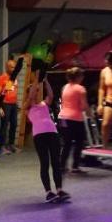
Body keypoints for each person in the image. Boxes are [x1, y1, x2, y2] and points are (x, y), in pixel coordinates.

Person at [28, 75, 68, 203]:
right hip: (39, 135)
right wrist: (36, 81)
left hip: (52, 132)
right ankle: (48, 192)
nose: (35, 93)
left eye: (36, 92)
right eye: (33, 91)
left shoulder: (44, 103)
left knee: (56, 162)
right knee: (44, 163)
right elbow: (31, 95)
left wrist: (45, 81)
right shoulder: (27, 105)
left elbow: (50, 95)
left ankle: (59, 189)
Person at [58, 67, 89, 175]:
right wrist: (89, 113)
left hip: (62, 118)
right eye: (81, 76)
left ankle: (62, 166)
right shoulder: (80, 89)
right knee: (80, 143)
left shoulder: (65, 87)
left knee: (67, 143)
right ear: (78, 77)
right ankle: (75, 167)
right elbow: (84, 106)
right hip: (75, 119)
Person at [0, 57, 20, 154]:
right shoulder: (2, 78)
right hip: (5, 104)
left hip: (13, 104)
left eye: (14, 67)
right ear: (7, 68)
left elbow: (14, 91)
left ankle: (11, 145)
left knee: (14, 124)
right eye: (12, 67)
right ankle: (2, 146)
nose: (13, 69)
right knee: (4, 125)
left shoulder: (14, 78)